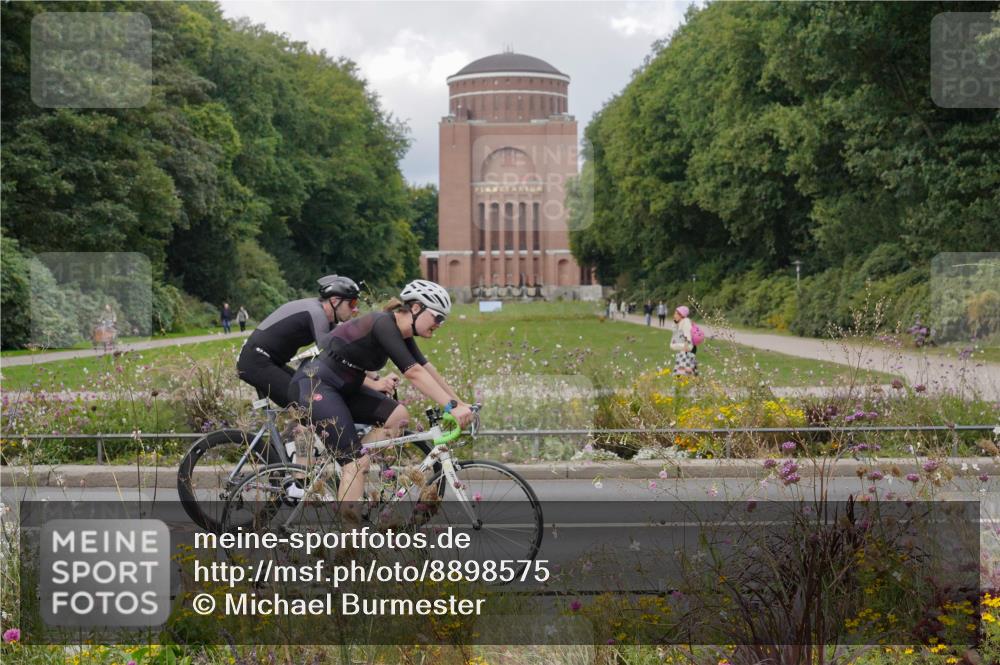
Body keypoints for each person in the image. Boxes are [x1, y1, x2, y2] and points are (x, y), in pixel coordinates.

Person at [290, 279, 474, 505]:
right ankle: (349, 536)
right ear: (416, 308)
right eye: (438, 317)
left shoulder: (402, 332)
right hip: (315, 385)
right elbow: (414, 372)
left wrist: (460, 402)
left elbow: (427, 369)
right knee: (356, 464)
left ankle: (350, 466)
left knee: (398, 417)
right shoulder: (383, 324)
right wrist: (451, 407)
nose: (439, 324)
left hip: (344, 389)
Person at [236, 275, 364, 408]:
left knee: (309, 392)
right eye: (352, 303)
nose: (355, 309)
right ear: (334, 300)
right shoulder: (317, 313)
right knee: (308, 402)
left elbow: (346, 349)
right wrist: (368, 382)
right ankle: (302, 427)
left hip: (267, 361)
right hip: (256, 361)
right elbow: (330, 354)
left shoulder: (327, 318)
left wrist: (374, 377)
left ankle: (294, 427)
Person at [670, 305, 698, 376]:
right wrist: (675, 323)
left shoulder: (686, 322)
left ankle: (688, 379)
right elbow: (675, 333)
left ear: (681, 315)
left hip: (687, 347)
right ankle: (686, 379)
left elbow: (687, 335)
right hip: (684, 347)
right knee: (684, 367)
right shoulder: (680, 322)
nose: (674, 315)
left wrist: (686, 346)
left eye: (676, 314)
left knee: (686, 368)